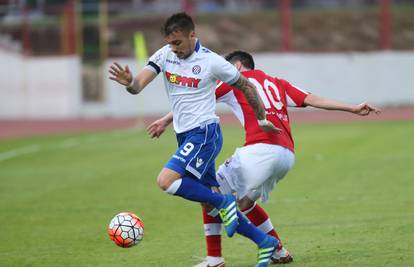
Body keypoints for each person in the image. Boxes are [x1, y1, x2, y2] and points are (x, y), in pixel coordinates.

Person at [147, 50, 381, 267]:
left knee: (210, 193)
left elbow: (199, 97)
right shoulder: (278, 83)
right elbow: (313, 99)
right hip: (286, 156)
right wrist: (353, 108)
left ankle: (215, 258)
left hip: (259, 152)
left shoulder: (234, 81)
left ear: (237, 66)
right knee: (246, 204)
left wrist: (165, 120)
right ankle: (278, 251)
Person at [109, 13, 282, 267]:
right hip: (185, 136)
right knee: (208, 201)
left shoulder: (211, 61)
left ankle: (224, 202)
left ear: (192, 35)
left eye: (178, 42)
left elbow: (246, 86)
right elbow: (137, 85)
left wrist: (262, 118)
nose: (174, 49)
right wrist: (129, 84)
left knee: (166, 181)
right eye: (170, 43)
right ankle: (261, 242)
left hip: (205, 134)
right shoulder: (164, 55)